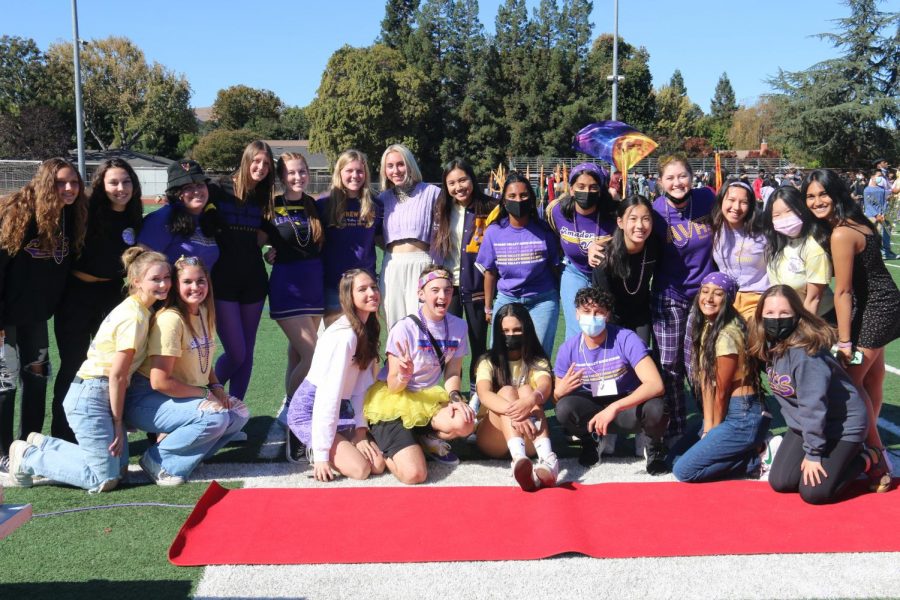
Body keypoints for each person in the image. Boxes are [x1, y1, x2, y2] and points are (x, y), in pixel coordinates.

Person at [0, 248, 170, 491]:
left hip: (100, 392)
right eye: (156, 279)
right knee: (103, 480)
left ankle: (44, 444)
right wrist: (119, 422)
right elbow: (117, 375)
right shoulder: (134, 317)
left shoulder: (141, 310)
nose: (164, 284)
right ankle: (28, 457)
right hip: (92, 395)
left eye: (167, 277)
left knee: (119, 472)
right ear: (136, 281)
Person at [747, 284, 889, 502]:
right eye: (770, 313)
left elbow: (814, 407)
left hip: (841, 426)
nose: (776, 319)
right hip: (804, 426)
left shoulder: (804, 353)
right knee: (782, 482)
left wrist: (814, 453)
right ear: (760, 316)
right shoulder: (771, 344)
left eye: (784, 313)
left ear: (797, 314)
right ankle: (829, 457)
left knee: (814, 492)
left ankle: (868, 457)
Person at [803, 168, 900, 471]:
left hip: (875, 307)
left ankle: (877, 454)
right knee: (873, 377)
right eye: (810, 196)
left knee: (850, 381)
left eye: (822, 194)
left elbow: (843, 291)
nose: (816, 201)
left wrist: (844, 341)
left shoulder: (842, 233)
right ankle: (869, 442)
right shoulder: (857, 221)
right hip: (883, 301)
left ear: (837, 193)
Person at [125, 256, 248, 485]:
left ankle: (180, 455)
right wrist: (205, 395)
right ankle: (158, 460)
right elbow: (159, 381)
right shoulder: (170, 319)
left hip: (177, 395)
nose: (195, 288)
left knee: (238, 413)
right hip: (145, 398)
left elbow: (204, 355)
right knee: (216, 417)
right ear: (176, 285)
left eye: (201, 281)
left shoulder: (204, 311)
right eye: (187, 282)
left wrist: (217, 387)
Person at [0, 157, 87, 460]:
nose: (69, 188)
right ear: (45, 183)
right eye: (61, 182)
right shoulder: (18, 212)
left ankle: (29, 443)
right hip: (5, 316)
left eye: (74, 182)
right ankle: (2, 451)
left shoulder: (71, 216)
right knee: (6, 381)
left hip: (35, 315)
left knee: (37, 377)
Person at [51, 158, 143, 442]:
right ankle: (63, 433)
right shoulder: (85, 210)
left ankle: (104, 430)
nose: (121, 188)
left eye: (126, 181)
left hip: (114, 297)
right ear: (102, 185)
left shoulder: (135, 215)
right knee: (73, 363)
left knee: (112, 367)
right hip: (77, 295)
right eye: (113, 182)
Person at [363, 266, 475, 484]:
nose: (443, 296)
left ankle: (423, 437)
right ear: (421, 294)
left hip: (427, 399)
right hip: (395, 400)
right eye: (435, 290)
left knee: (466, 422)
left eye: (447, 290)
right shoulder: (404, 328)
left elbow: (453, 371)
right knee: (415, 475)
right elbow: (394, 386)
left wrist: (454, 398)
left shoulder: (459, 326)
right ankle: (381, 443)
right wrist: (404, 375)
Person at [667, 273, 770, 482]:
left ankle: (758, 457)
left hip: (742, 414)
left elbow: (721, 391)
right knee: (674, 459)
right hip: (726, 409)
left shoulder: (727, 335)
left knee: (684, 472)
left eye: (718, 294)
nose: (709, 298)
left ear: (728, 299)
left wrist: (713, 430)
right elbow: (707, 383)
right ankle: (745, 447)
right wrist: (708, 425)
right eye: (705, 292)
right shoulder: (707, 325)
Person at [553, 287, 669, 473]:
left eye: (598, 312)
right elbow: (557, 395)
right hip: (594, 405)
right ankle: (591, 442)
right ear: (576, 313)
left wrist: (614, 407)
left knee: (656, 408)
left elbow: (655, 384)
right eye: (586, 311)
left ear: (607, 315)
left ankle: (652, 445)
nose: (592, 317)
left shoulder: (626, 338)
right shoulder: (568, 349)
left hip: (627, 405)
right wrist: (559, 392)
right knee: (564, 408)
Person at [286, 268, 386, 481]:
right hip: (311, 410)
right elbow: (327, 397)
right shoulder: (345, 337)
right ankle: (308, 444)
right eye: (362, 289)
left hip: (341, 408)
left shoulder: (367, 328)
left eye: (374, 287)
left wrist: (360, 431)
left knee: (377, 465)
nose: (372, 293)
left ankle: (339, 442)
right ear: (349, 297)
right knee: (361, 470)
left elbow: (362, 387)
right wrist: (322, 455)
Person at [649, 154, 715, 439]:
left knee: (700, 364)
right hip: (669, 295)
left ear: (692, 176)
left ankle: (711, 422)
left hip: (705, 296)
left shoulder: (706, 200)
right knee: (669, 365)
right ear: (660, 182)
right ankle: (675, 426)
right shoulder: (654, 211)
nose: (677, 182)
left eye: (682, 176)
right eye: (670, 178)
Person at [208, 140, 273, 402]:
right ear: (245, 160)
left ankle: (235, 413)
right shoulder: (218, 188)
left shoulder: (263, 198)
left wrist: (274, 251)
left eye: (266, 164)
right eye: (256, 161)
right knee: (236, 352)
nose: (260, 167)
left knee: (248, 351)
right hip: (223, 280)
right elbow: (191, 204)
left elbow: (266, 235)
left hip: (254, 280)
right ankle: (208, 396)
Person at [430, 158, 497, 394]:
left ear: (472, 179)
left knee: (479, 343)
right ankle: (453, 392)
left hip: (478, 286)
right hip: (450, 287)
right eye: (451, 183)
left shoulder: (491, 207)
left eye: (463, 180)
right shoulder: (441, 209)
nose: (458, 187)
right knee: (450, 343)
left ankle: (478, 391)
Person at [474, 303, 557, 490]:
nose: (511, 335)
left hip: (529, 436)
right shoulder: (488, 361)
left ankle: (548, 460)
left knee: (528, 391)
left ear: (526, 330)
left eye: (517, 330)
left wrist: (529, 401)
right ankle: (519, 460)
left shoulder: (537, 361)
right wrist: (515, 413)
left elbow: (544, 386)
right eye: (506, 331)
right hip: (493, 439)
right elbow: (484, 393)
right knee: (506, 392)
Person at [476, 172, 561, 358]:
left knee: (538, 357)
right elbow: (489, 272)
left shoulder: (544, 230)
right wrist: (488, 308)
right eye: (512, 196)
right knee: (500, 357)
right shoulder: (494, 231)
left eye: (524, 195)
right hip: (507, 299)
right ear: (504, 202)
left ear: (531, 198)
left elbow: (555, 268)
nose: (519, 200)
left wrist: (558, 296)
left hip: (542, 300)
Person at [262, 152, 324, 399]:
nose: (297, 177)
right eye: (291, 172)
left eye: (302, 171)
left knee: (297, 354)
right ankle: (294, 411)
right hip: (287, 288)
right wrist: (267, 253)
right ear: (281, 176)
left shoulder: (314, 205)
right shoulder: (271, 207)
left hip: (314, 287)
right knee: (312, 355)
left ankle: (292, 416)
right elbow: (256, 242)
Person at [546, 162, 617, 338]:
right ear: (571, 189)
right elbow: (553, 235)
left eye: (593, 187)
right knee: (577, 327)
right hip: (574, 270)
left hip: (607, 272)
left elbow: (628, 240)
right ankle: (577, 363)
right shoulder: (557, 211)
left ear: (601, 190)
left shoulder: (614, 214)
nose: (587, 192)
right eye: (581, 186)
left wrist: (603, 244)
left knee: (605, 324)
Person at [376, 144, 441, 329]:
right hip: (392, 266)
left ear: (410, 165)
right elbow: (377, 235)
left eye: (400, 164)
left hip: (422, 264)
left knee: (423, 324)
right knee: (395, 326)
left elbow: (442, 232)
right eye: (390, 166)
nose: (395, 170)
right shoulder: (382, 200)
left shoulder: (431, 193)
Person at [318, 149, 379, 326]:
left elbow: (382, 238)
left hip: (366, 286)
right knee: (336, 341)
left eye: (360, 171)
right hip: (334, 286)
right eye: (349, 171)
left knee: (365, 342)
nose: (355, 175)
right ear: (340, 173)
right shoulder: (323, 204)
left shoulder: (376, 205)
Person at [592, 195, 658, 345]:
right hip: (611, 316)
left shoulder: (654, 247)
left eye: (646, 219)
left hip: (641, 314)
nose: (640, 225)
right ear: (620, 222)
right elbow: (603, 301)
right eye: (633, 219)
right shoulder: (604, 257)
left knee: (640, 352)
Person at [762, 185, 834, 318]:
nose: (784, 218)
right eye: (776, 215)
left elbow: (814, 300)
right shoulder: (776, 245)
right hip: (789, 316)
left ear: (801, 209)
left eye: (789, 211)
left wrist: (803, 332)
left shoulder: (813, 247)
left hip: (816, 318)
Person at [138, 159, 221, 269]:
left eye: (200, 184)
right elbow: (142, 267)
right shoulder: (161, 219)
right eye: (188, 187)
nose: (196, 191)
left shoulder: (207, 217)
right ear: (176, 193)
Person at [710, 181, 769, 320]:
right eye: (731, 200)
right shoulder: (714, 229)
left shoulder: (763, 233)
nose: (736, 207)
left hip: (756, 300)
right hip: (725, 300)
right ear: (721, 200)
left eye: (744, 202)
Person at [862, 173, 896, 259]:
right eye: (878, 176)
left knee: (887, 233)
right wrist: (876, 215)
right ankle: (872, 254)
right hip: (872, 216)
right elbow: (868, 204)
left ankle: (886, 252)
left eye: (881, 176)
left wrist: (883, 213)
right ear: (872, 177)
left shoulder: (882, 189)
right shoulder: (867, 190)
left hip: (882, 215)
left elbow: (884, 202)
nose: (879, 178)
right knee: (873, 235)